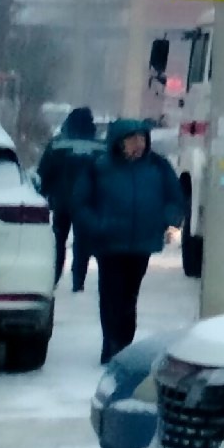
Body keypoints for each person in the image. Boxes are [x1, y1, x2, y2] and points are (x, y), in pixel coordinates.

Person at [79, 118, 182, 362]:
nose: (138, 145)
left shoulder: (157, 166)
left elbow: (174, 198)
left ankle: (124, 344)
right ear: (118, 142)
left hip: (141, 243)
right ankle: (112, 345)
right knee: (111, 295)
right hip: (110, 244)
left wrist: (167, 220)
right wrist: (97, 225)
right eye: (132, 140)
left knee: (129, 297)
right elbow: (82, 202)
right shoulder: (100, 167)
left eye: (142, 139)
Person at [33, 106, 102, 292]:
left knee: (58, 241)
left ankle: (53, 279)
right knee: (82, 244)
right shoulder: (98, 147)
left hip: (61, 201)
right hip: (87, 204)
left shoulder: (58, 144)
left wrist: (43, 194)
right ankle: (78, 282)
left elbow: (44, 172)